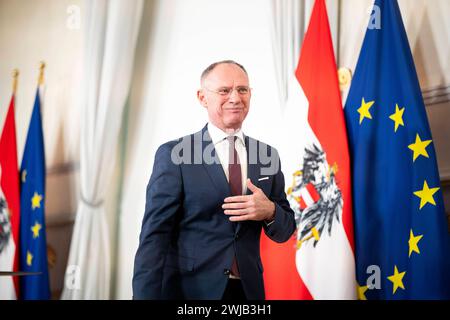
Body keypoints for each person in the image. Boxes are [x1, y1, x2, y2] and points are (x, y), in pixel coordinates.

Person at [132, 60, 295, 300]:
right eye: (224, 90)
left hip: (248, 292)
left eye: (242, 90)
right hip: (190, 293)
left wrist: (270, 211)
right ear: (202, 97)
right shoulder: (175, 154)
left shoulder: (268, 155)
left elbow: (285, 230)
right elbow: (154, 237)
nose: (235, 98)